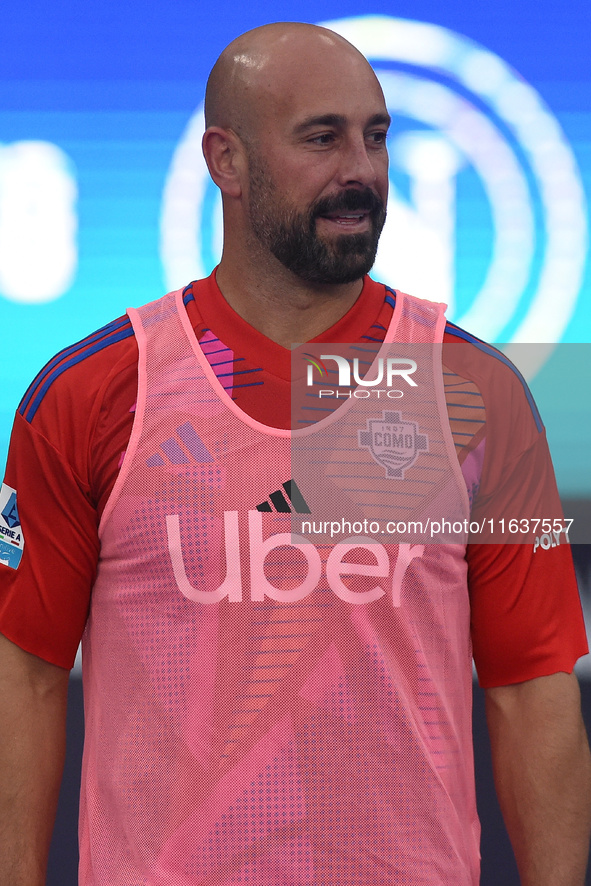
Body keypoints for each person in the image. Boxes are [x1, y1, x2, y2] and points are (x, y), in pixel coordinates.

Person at [0, 21, 590, 886]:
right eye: (322, 137)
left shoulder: (477, 392)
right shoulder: (92, 393)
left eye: (377, 136)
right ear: (224, 162)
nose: (361, 168)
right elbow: (25, 677)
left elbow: (532, 690)